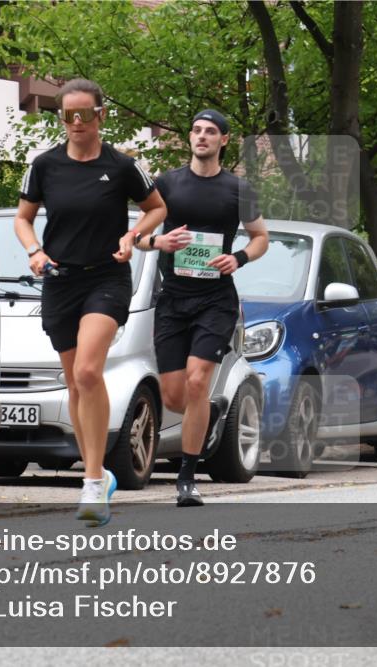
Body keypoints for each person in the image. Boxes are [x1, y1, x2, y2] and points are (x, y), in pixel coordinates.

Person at [14, 79, 167, 523]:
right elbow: (24, 219)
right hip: (60, 280)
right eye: (68, 116)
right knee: (75, 383)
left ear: (100, 115)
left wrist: (132, 234)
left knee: (87, 370)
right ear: (62, 118)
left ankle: (93, 481)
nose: (77, 123)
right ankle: (97, 476)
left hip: (106, 278)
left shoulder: (121, 166)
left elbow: (156, 207)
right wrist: (34, 251)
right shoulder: (44, 165)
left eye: (85, 115)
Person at [137, 109, 268, 507]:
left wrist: (239, 258)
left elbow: (261, 237)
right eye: (196, 130)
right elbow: (138, 238)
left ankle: (187, 477)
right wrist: (159, 243)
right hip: (173, 300)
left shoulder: (238, 189)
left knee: (197, 383)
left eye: (210, 132)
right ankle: (207, 413)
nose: (202, 137)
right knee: (175, 395)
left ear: (223, 141)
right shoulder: (167, 184)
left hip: (215, 299)